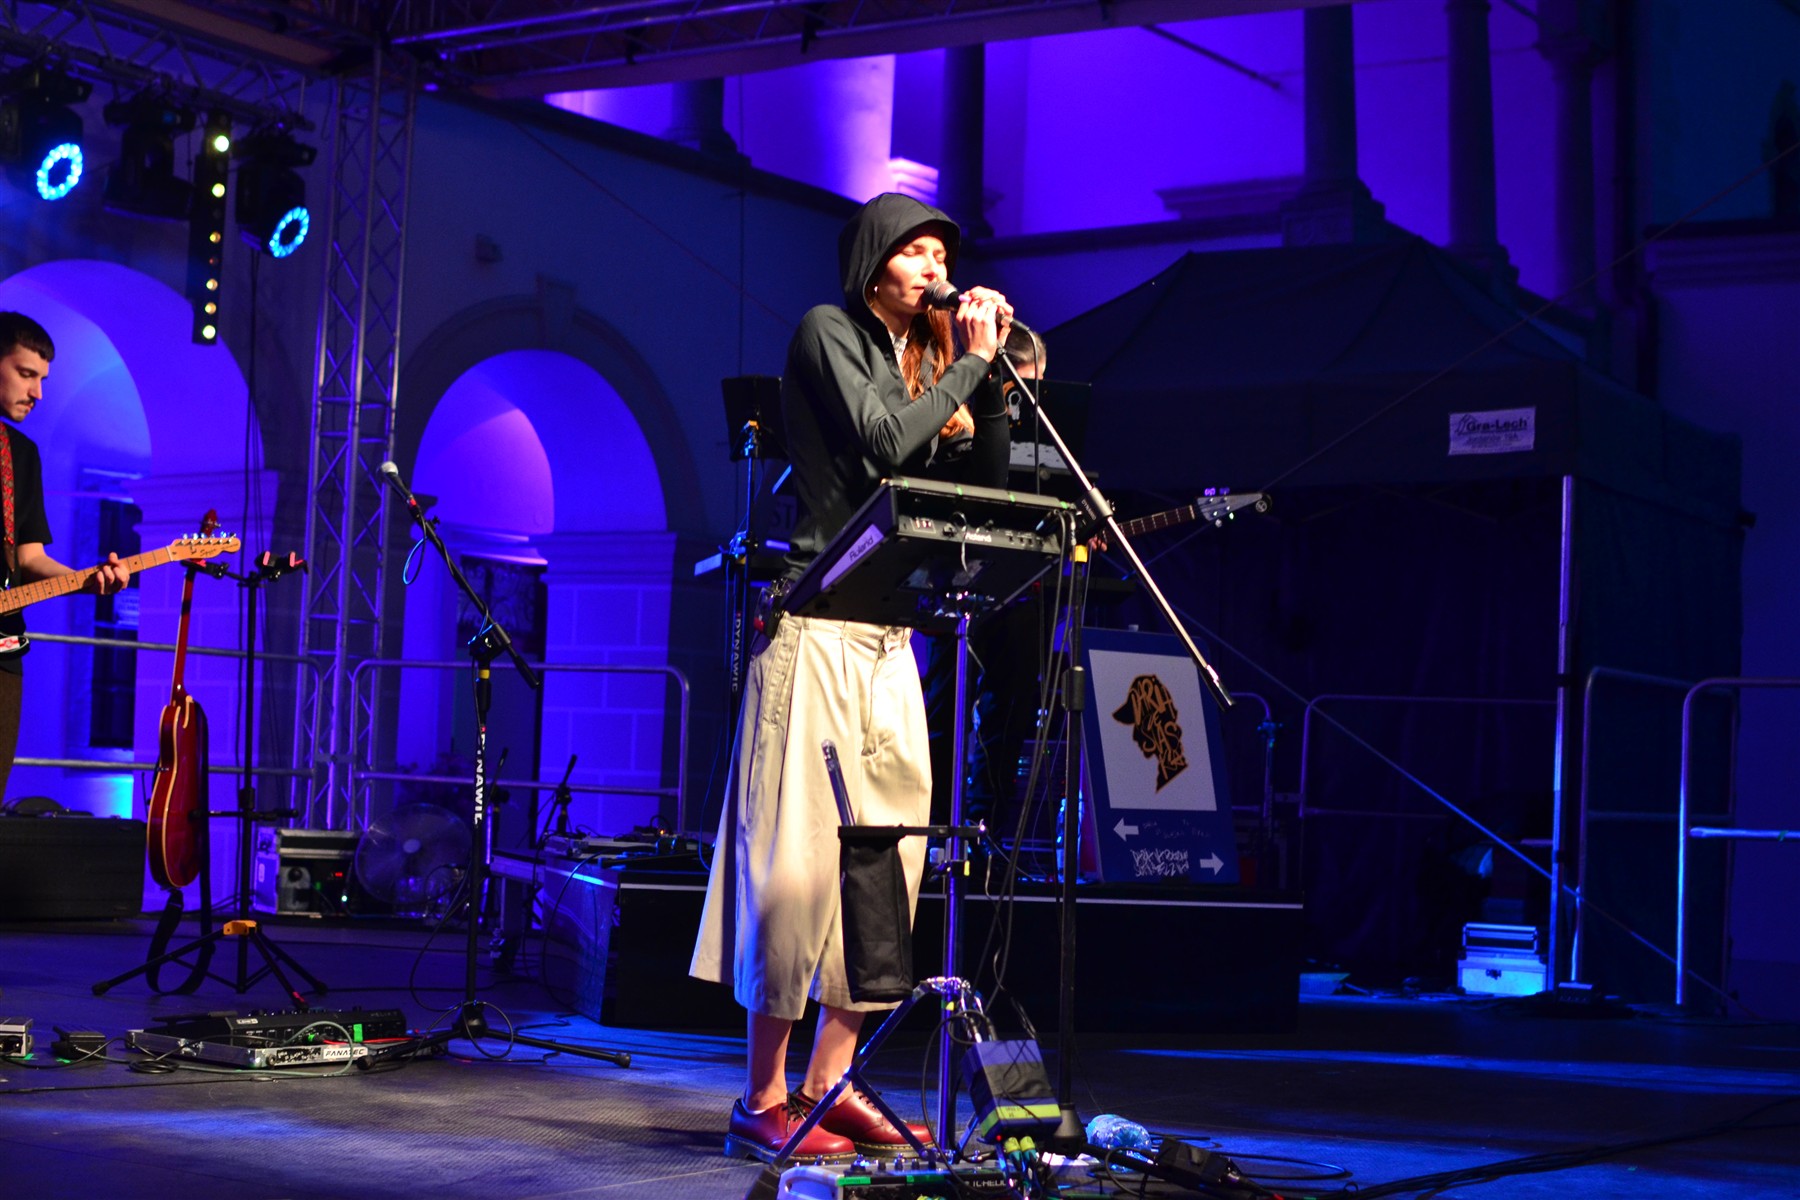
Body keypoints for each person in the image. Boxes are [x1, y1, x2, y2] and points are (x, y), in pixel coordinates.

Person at [691, 194, 1014, 1161]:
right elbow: (883, 443)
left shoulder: (928, 364)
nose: (934, 267)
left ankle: (830, 1085)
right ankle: (762, 1098)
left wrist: (991, 386)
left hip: (889, 638)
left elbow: (985, 491)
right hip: (816, 628)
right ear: (874, 263)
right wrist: (966, 366)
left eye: (942, 254)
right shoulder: (827, 331)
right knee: (798, 871)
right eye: (916, 251)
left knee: (887, 872)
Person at [0, 312, 131, 801]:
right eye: (25, 374)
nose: (37, 393)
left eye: (42, 379)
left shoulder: (19, 455)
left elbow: (29, 558)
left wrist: (86, 579)